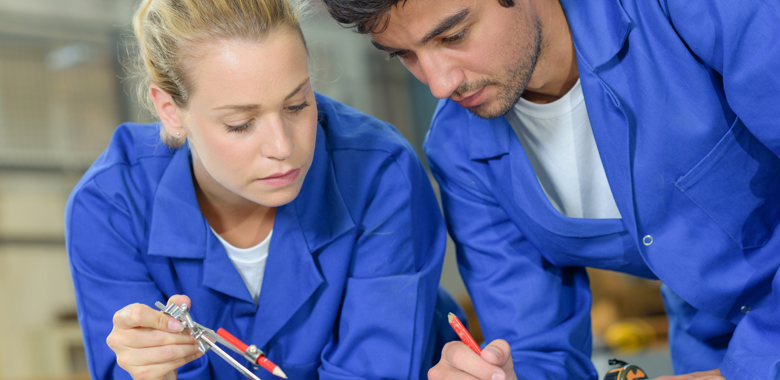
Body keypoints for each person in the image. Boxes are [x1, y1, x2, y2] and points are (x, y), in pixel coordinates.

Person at [320, 0, 780, 379]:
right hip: (709, 345)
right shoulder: (459, 150)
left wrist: (749, 367)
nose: (440, 83)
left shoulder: (693, 11)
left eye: (454, 36)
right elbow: (538, 348)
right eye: (404, 55)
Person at [64, 0, 463, 378]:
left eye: (297, 105)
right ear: (170, 110)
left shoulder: (379, 172)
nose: (283, 148)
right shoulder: (111, 207)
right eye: (240, 123)